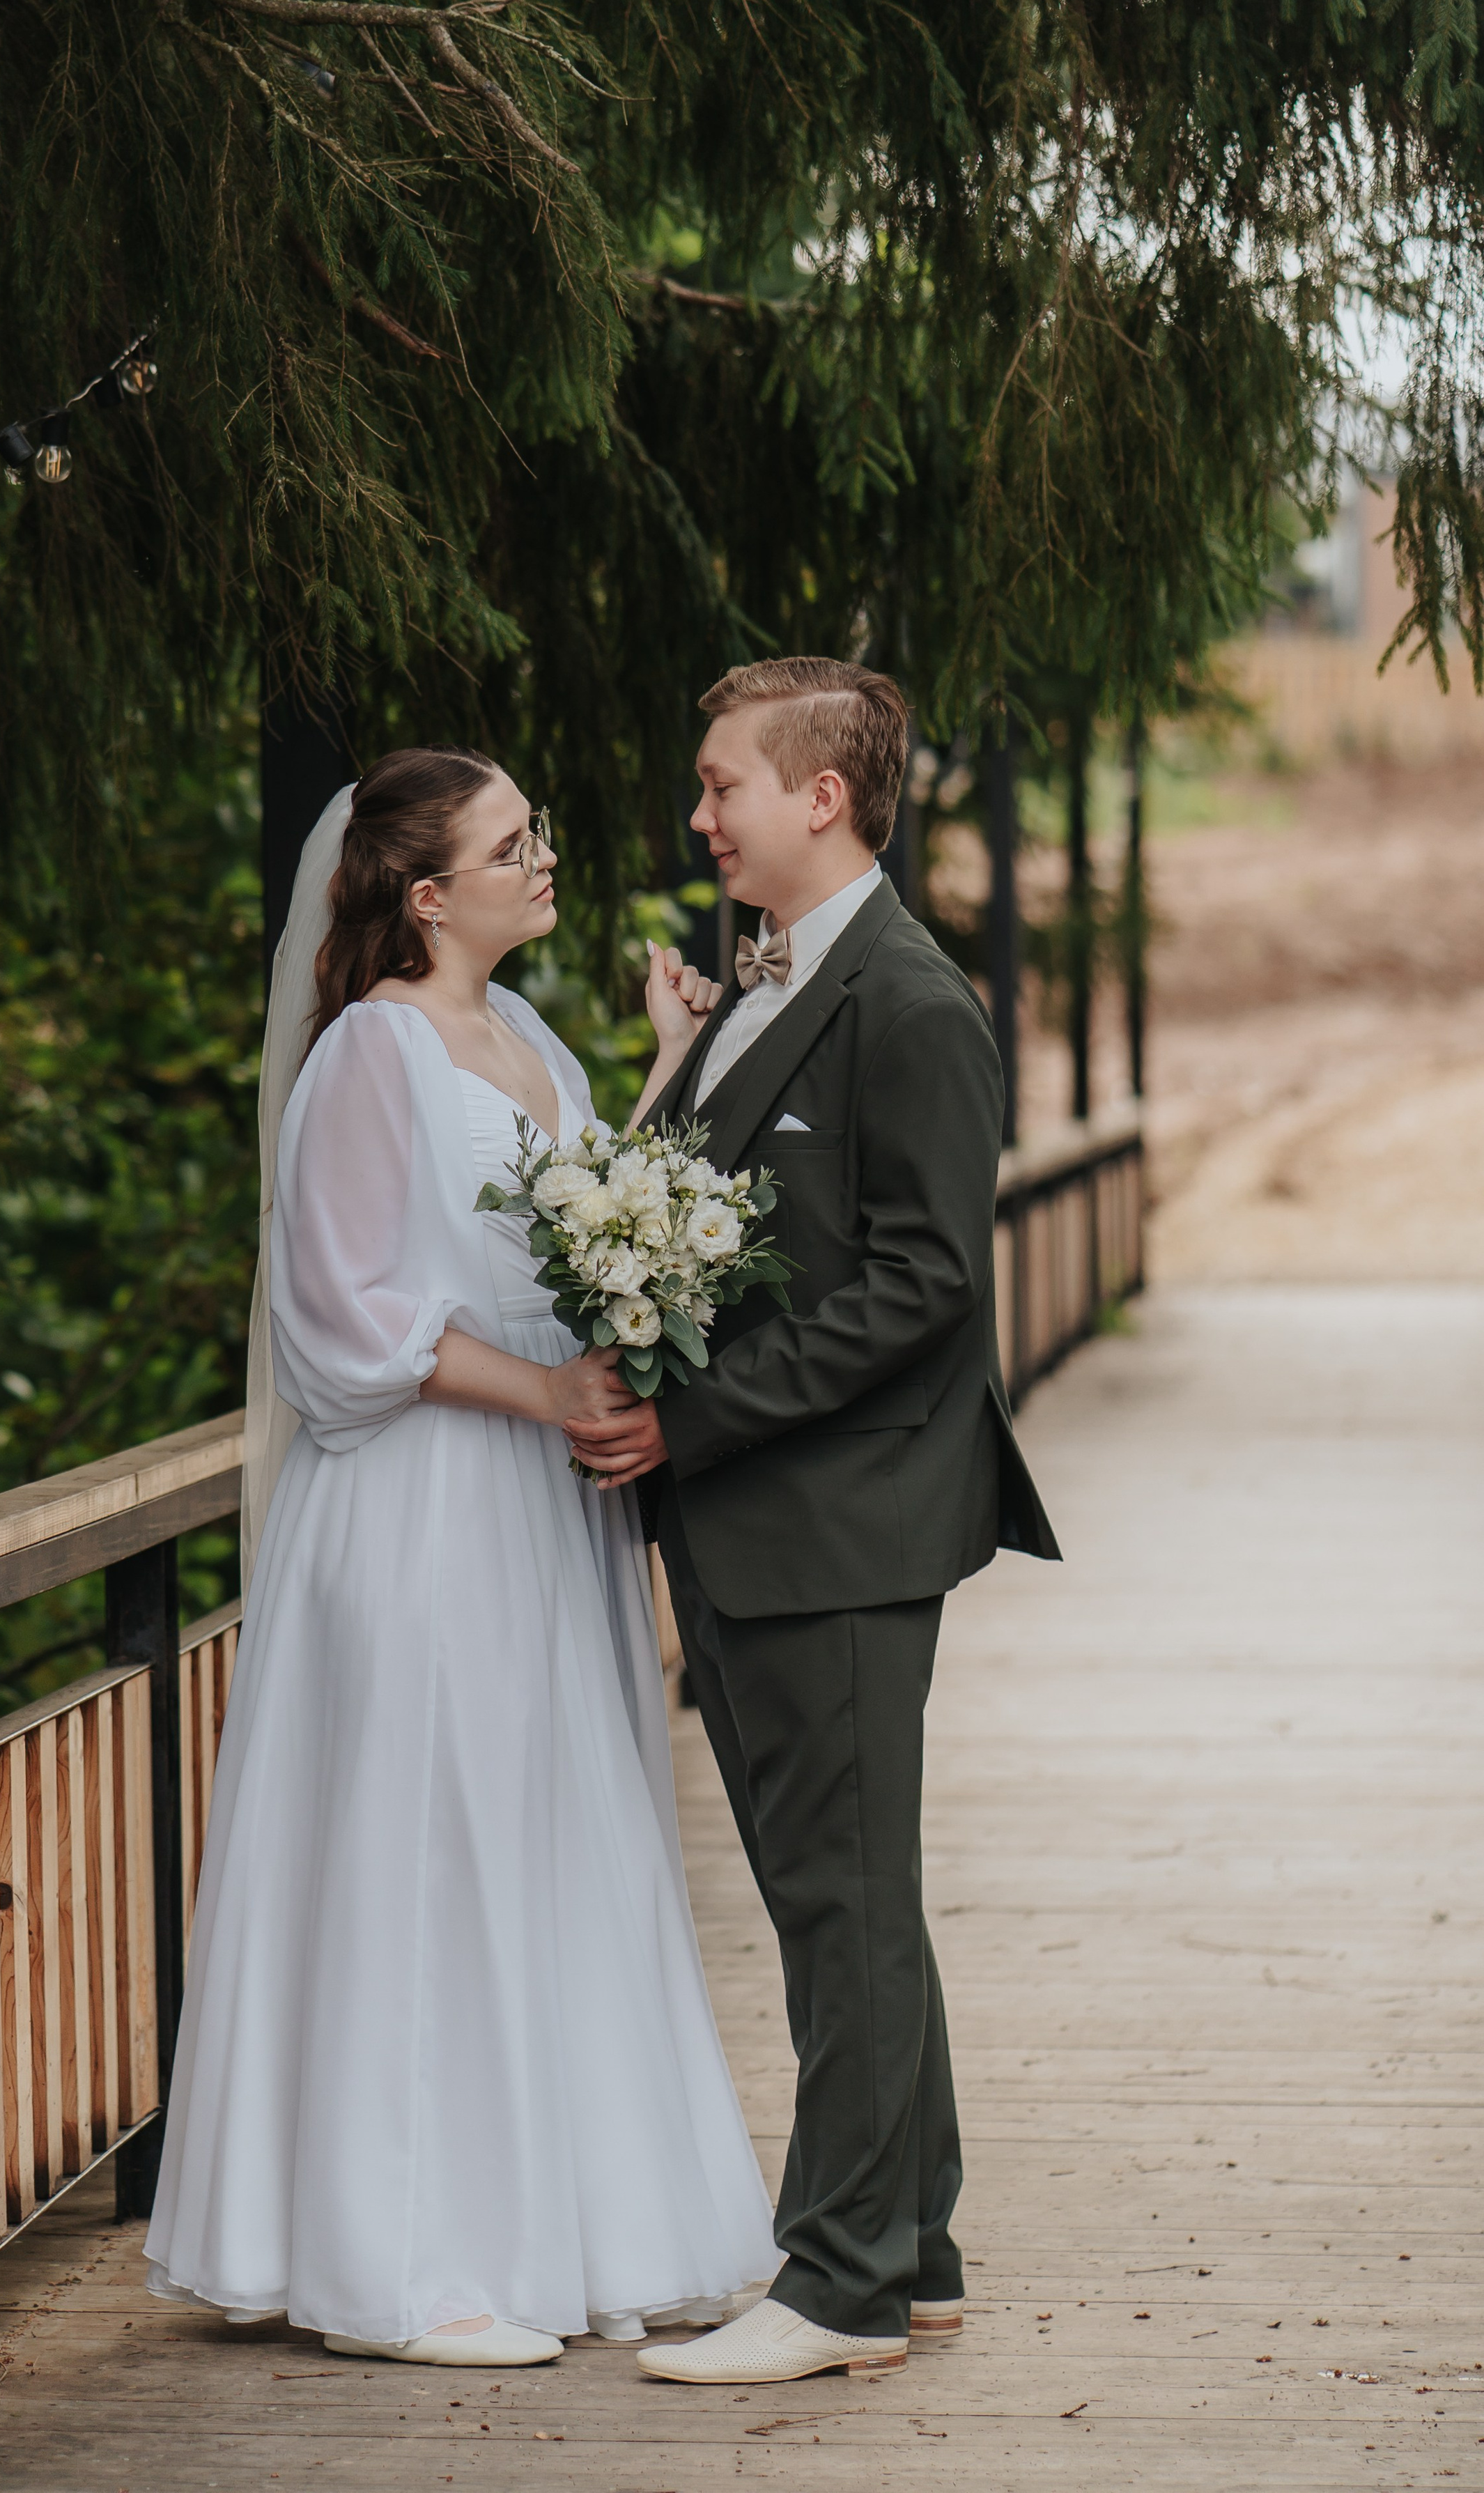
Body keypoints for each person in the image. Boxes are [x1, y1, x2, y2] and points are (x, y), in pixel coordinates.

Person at [144, 746, 777, 2368]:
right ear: (426, 895)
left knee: (540, 1839)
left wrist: (666, 1065)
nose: (542, 857)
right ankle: (406, 2266)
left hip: (540, 1510)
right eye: (511, 844)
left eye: (535, 832)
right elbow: (341, 1317)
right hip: (425, 1503)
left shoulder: (523, 1036)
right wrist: (546, 1392)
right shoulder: (370, 1050)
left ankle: (561, 2221)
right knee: (428, 1849)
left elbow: (570, 1227)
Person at [567, 657, 1060, 2387]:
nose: (699, 815)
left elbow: (926, 1284)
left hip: (837, 1523)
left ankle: (837, 2282)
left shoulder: (909, 1002)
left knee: (839, 1908)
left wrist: (686, 1420)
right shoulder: (769, 984)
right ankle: (908, 2249)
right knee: (842, 1899)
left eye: (722, 785)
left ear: (820, 796)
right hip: (766, 1519)